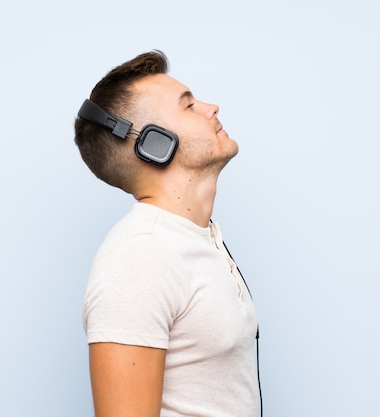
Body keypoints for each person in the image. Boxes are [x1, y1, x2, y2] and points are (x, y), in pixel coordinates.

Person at [74, 50, 259, 417]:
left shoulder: (195, 237)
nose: (212, 107)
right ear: (154, 143)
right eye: (188, 105)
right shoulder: (140, 258)